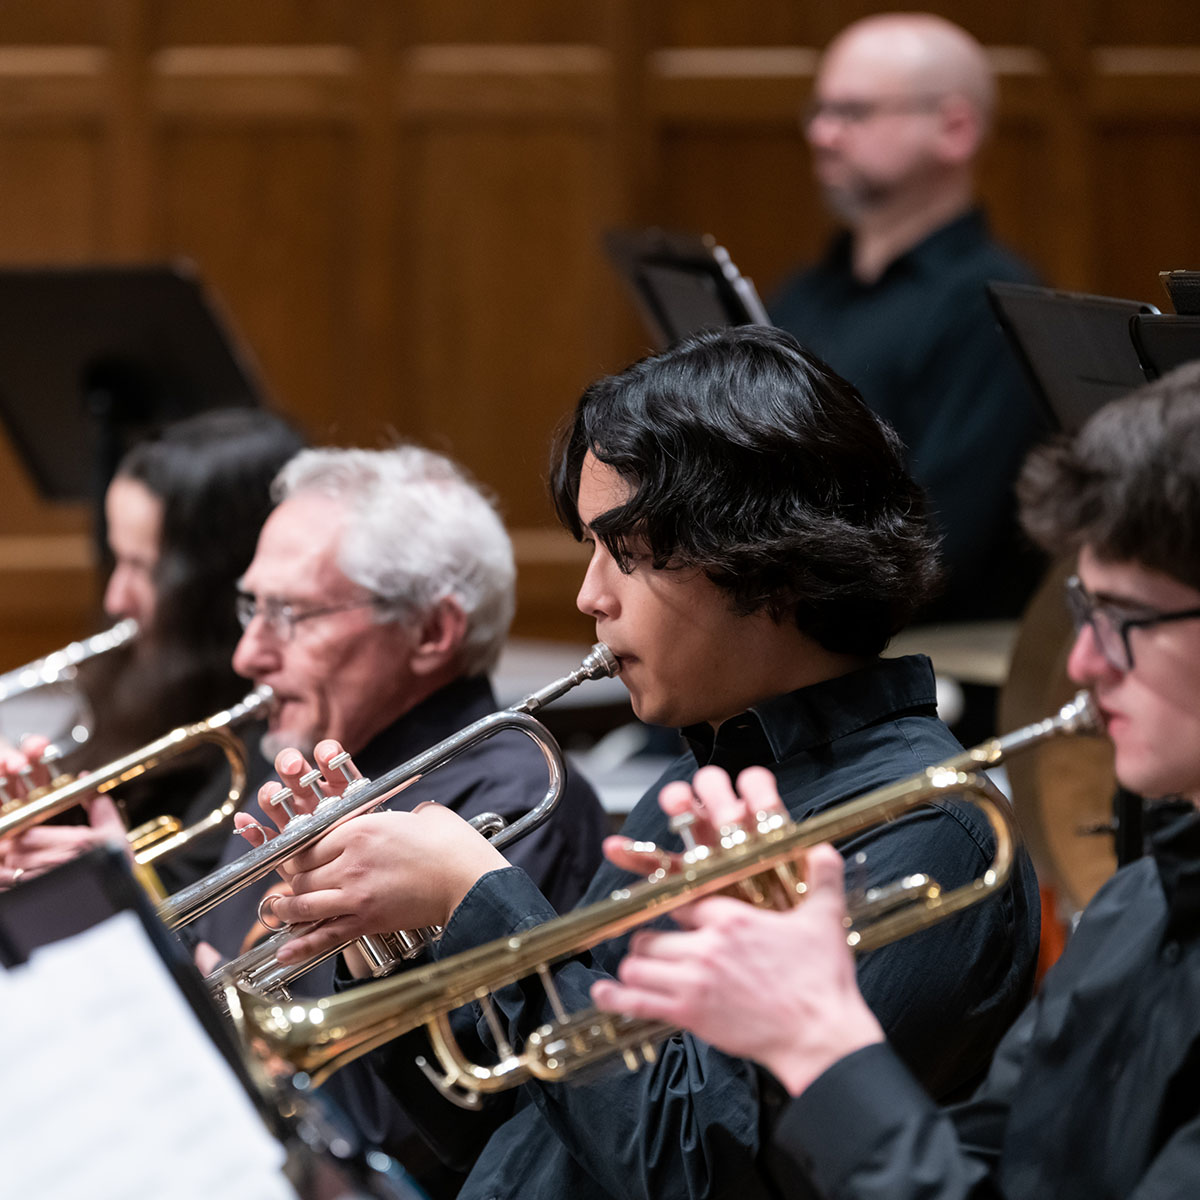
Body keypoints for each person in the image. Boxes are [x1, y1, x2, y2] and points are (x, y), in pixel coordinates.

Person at [248, 326, 1040, 1200]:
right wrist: (387, 942)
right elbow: (514, 1134)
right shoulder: (699, 785)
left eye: (624, 552)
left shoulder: (927, 834)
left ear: (765, 560)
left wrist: (482, 899)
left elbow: (688, 1170)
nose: (591, 594)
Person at [595, 359, 1200, 1199]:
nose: (1083, 662)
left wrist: (821, 1042)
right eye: (1084, 613)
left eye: (1127, 620)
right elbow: (988, 1169)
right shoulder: (1139, 907)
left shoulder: (942, 834)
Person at [771, 13, 1046, 622]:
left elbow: (936, 543)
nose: (821, 132)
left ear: (954, 129)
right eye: (818, 109)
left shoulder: (993, 307)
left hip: (906, 661)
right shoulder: (807, 291)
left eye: (853, 112)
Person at [0, 408, 306, 891]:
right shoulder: (129, 682)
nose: (114, 598)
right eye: (117, 560)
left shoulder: (270, 743)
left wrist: (102, 882)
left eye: (142, 568)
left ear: (217, 581)